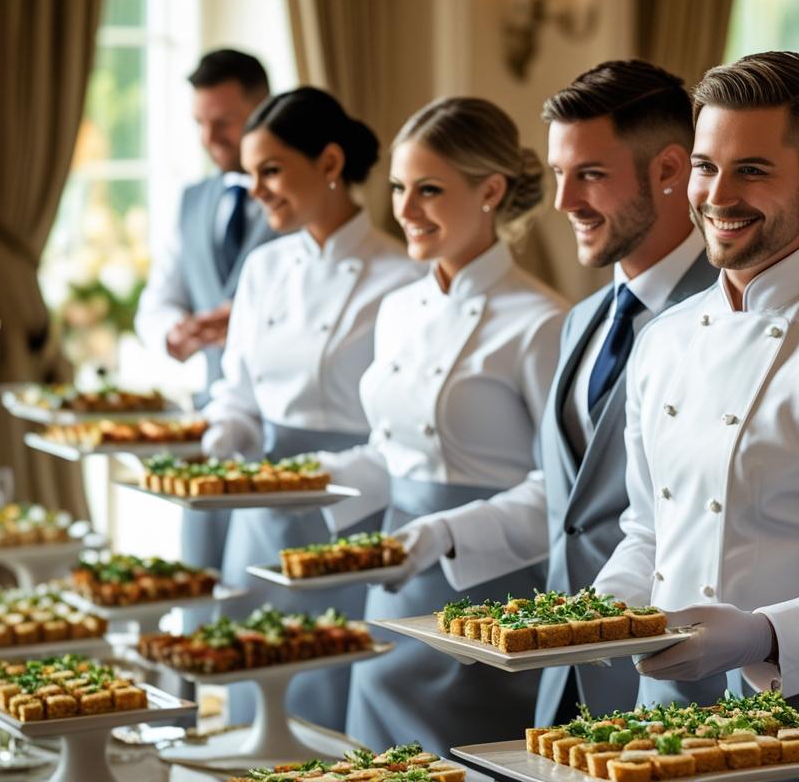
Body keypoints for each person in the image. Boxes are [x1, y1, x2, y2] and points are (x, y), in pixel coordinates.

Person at [591, 51, 799, 721]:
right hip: (651, 712)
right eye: (706, 167)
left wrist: (764, 634)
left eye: (752, 170)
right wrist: (601, 612)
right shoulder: (664, 339)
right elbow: (646, 531)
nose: (717, 197)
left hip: (795, 718)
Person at [389, 60, 715, 726]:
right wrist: (445, 534)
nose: (564, 202)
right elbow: (565, 498)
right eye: (561, 174)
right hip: (565, 673)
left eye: (590, 175)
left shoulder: (722, 317)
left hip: (681, 681)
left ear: (669, 171)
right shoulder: (582, 321)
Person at [318, 98, 567, 752]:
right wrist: (302, 479)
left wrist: (443, 534)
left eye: (428, 189)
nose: (403, 209)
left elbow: (561, 491)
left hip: (489, 598)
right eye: (399, 187)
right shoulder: (397, 309)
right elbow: (392, 453)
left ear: (491, 191)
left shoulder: (543, 321)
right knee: (378, 758)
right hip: (394, 584)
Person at [203, 87, 422, 730]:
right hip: (258, 510)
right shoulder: (262, 268)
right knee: (254, 697)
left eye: (270, 171)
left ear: (329, 164)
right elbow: (238, 396)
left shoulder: (402, 277)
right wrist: (219, 444)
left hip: (352, 514)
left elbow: (400, 429)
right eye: (249, 175)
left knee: (331, 711)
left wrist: (309, 479)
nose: (256, 190)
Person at [134, 50, 279, 602]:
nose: (209, 137)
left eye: (222, 122)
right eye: (200, 123)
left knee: (263, 595)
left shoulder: (304, 199)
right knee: (201, 587)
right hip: (207, 422)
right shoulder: (191, 200)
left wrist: (243, 323)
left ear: (261, 107)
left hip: (278, 429)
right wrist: (175, 330)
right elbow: (157, 300)